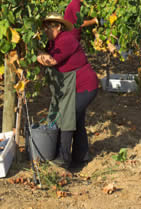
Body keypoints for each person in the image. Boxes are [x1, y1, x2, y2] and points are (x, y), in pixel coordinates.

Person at [37, 13, 98, 169]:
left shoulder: (66, 40)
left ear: (58, 26)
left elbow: (51, 61)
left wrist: (36, 52)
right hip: (73, 87)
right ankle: (81, 157)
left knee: (66, 118)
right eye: (45, 27)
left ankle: (63, 159)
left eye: (49, 26)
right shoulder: (52, 43)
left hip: (85, 87)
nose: (46, 30)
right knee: (77, 120)